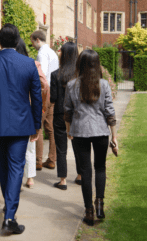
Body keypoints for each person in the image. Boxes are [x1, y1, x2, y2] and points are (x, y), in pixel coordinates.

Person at [0, 24, 42, 234]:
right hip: (22, 125)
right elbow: (37, 98)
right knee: (15, 169)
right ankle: (10, 217)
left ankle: (8, 207)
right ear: (17, 41)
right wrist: (37, 125)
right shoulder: (29, 64)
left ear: (0, 42)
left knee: (4, 168)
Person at [64, 50, 118, 226]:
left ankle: (89, 211)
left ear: (79, 64)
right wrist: (114, 137)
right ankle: (100, 204)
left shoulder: (72, 85)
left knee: (86, 171)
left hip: (80, 132)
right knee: (100, 168)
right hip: (101, 131)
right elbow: (110, 112)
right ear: (97, 64)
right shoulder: (104, 84)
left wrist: (69, 130)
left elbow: (67, 111)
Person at [15, 38, 48, 188]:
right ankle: (30, 178)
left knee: (14, 145)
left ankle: (17, 177)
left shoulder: (9, 65)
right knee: (30, 145)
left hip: (13, 108)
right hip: (28, 107)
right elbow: (44, 85)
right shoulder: (33, 64)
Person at [50, 42, 81, 190]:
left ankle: (62, 180)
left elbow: (53, 98)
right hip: (76, 115)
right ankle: (80, 175)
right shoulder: (80, 74)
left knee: (61, 148)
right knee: (78, 146)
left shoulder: (55, 74)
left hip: (59, 114)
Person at [30, 30, 59, 170]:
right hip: (53, 92)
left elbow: (42, 76)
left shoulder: (42, 53)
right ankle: (52, 159)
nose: (32, 45)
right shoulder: (52, 52)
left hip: (44, 92)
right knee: (50, 127)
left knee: (38, 127)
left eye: (32, 42)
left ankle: (38, 161)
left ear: (36, 39)